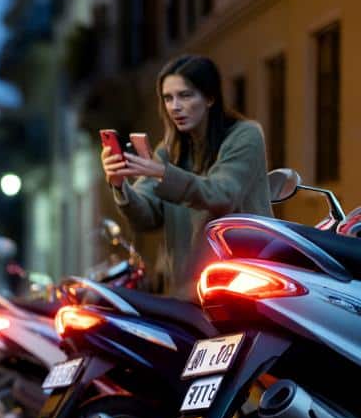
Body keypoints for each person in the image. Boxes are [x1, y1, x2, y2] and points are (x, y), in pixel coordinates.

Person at [102, 54, 271, 300]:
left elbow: (222, 194)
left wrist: (162, 173)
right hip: (186, 292)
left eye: (185, 95)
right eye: (168, 98)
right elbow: (145, 217)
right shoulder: (168, 150)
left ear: (210, 98)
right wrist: (119, 185)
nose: (175, 106)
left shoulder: (245, 135)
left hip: (241, 285)